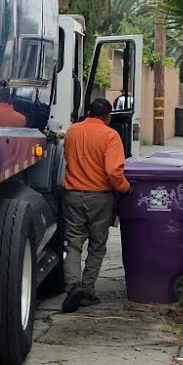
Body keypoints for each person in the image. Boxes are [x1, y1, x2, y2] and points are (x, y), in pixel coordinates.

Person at [61, 98, 132, 313]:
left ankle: (73, 287)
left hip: (73, 195)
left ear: (89, 112)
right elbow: (113, 172)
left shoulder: (72, 131)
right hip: (99, 198)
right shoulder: (110, 135)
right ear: (107, 117)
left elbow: (67, 158)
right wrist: (126, 188)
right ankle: (87, 290)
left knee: (73, 243)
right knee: (97, 245)